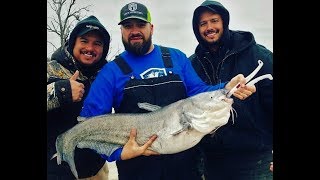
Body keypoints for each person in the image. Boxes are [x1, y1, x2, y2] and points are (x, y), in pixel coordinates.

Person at [79, 2, 256, 180]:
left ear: (151, 28)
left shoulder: (176, 58)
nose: (134, 31)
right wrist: (118, 153)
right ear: (122, 31)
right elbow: (90, 126)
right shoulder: (111, 72)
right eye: (128, 26)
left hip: (185, 168)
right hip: (137, 170)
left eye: (140, 25)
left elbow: (199, 92)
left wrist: (225, 88)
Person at [189, 0, 273, 179]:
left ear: (224, 22)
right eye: (203, 23)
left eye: (214, 20)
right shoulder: (192, 65)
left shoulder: (258, 55)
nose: (209, 27)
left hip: (256, 160)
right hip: (212, 162)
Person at [47, 15, 111, 180]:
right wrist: (62, 91)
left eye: (97, 43)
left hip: (97, 170)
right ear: (73, 43)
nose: (90, 48)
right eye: (84, 41)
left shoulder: (107, 76)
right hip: (57, 170)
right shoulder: (52, 69)